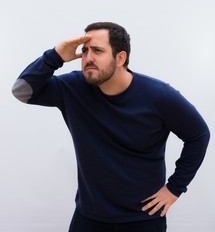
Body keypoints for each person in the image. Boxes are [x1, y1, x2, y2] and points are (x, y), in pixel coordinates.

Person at [12, 22, 210, 232]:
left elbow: (198, 135)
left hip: (143, 219)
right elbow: (22, 91)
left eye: (97, 50)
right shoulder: (73, 88)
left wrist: (174, 188)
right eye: (85, 50)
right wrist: (56, 56)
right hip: (88, 217)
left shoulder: (159, 95)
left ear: (120, 58)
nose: (88, 58)